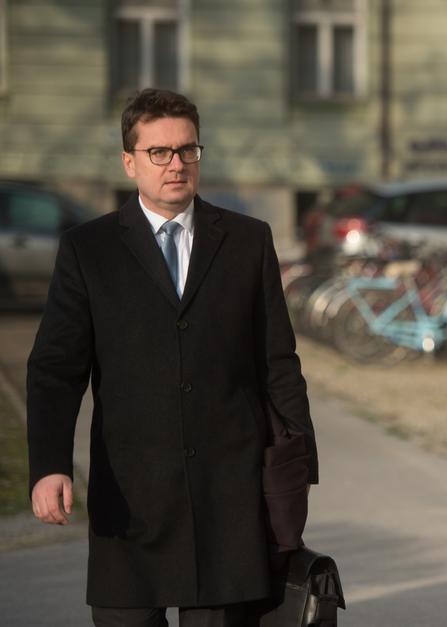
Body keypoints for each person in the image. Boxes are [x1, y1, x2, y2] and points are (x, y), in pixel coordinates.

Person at [27, 88, 318, 627]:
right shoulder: (89, 249)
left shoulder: (249, 241)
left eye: (187, 150)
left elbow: (278, 361)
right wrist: (48, 465)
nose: (176, 164)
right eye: (159, 152)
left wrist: (298, 464)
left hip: (227, 495)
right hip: (130, 497)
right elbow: (55, 370)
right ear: (129, 162)